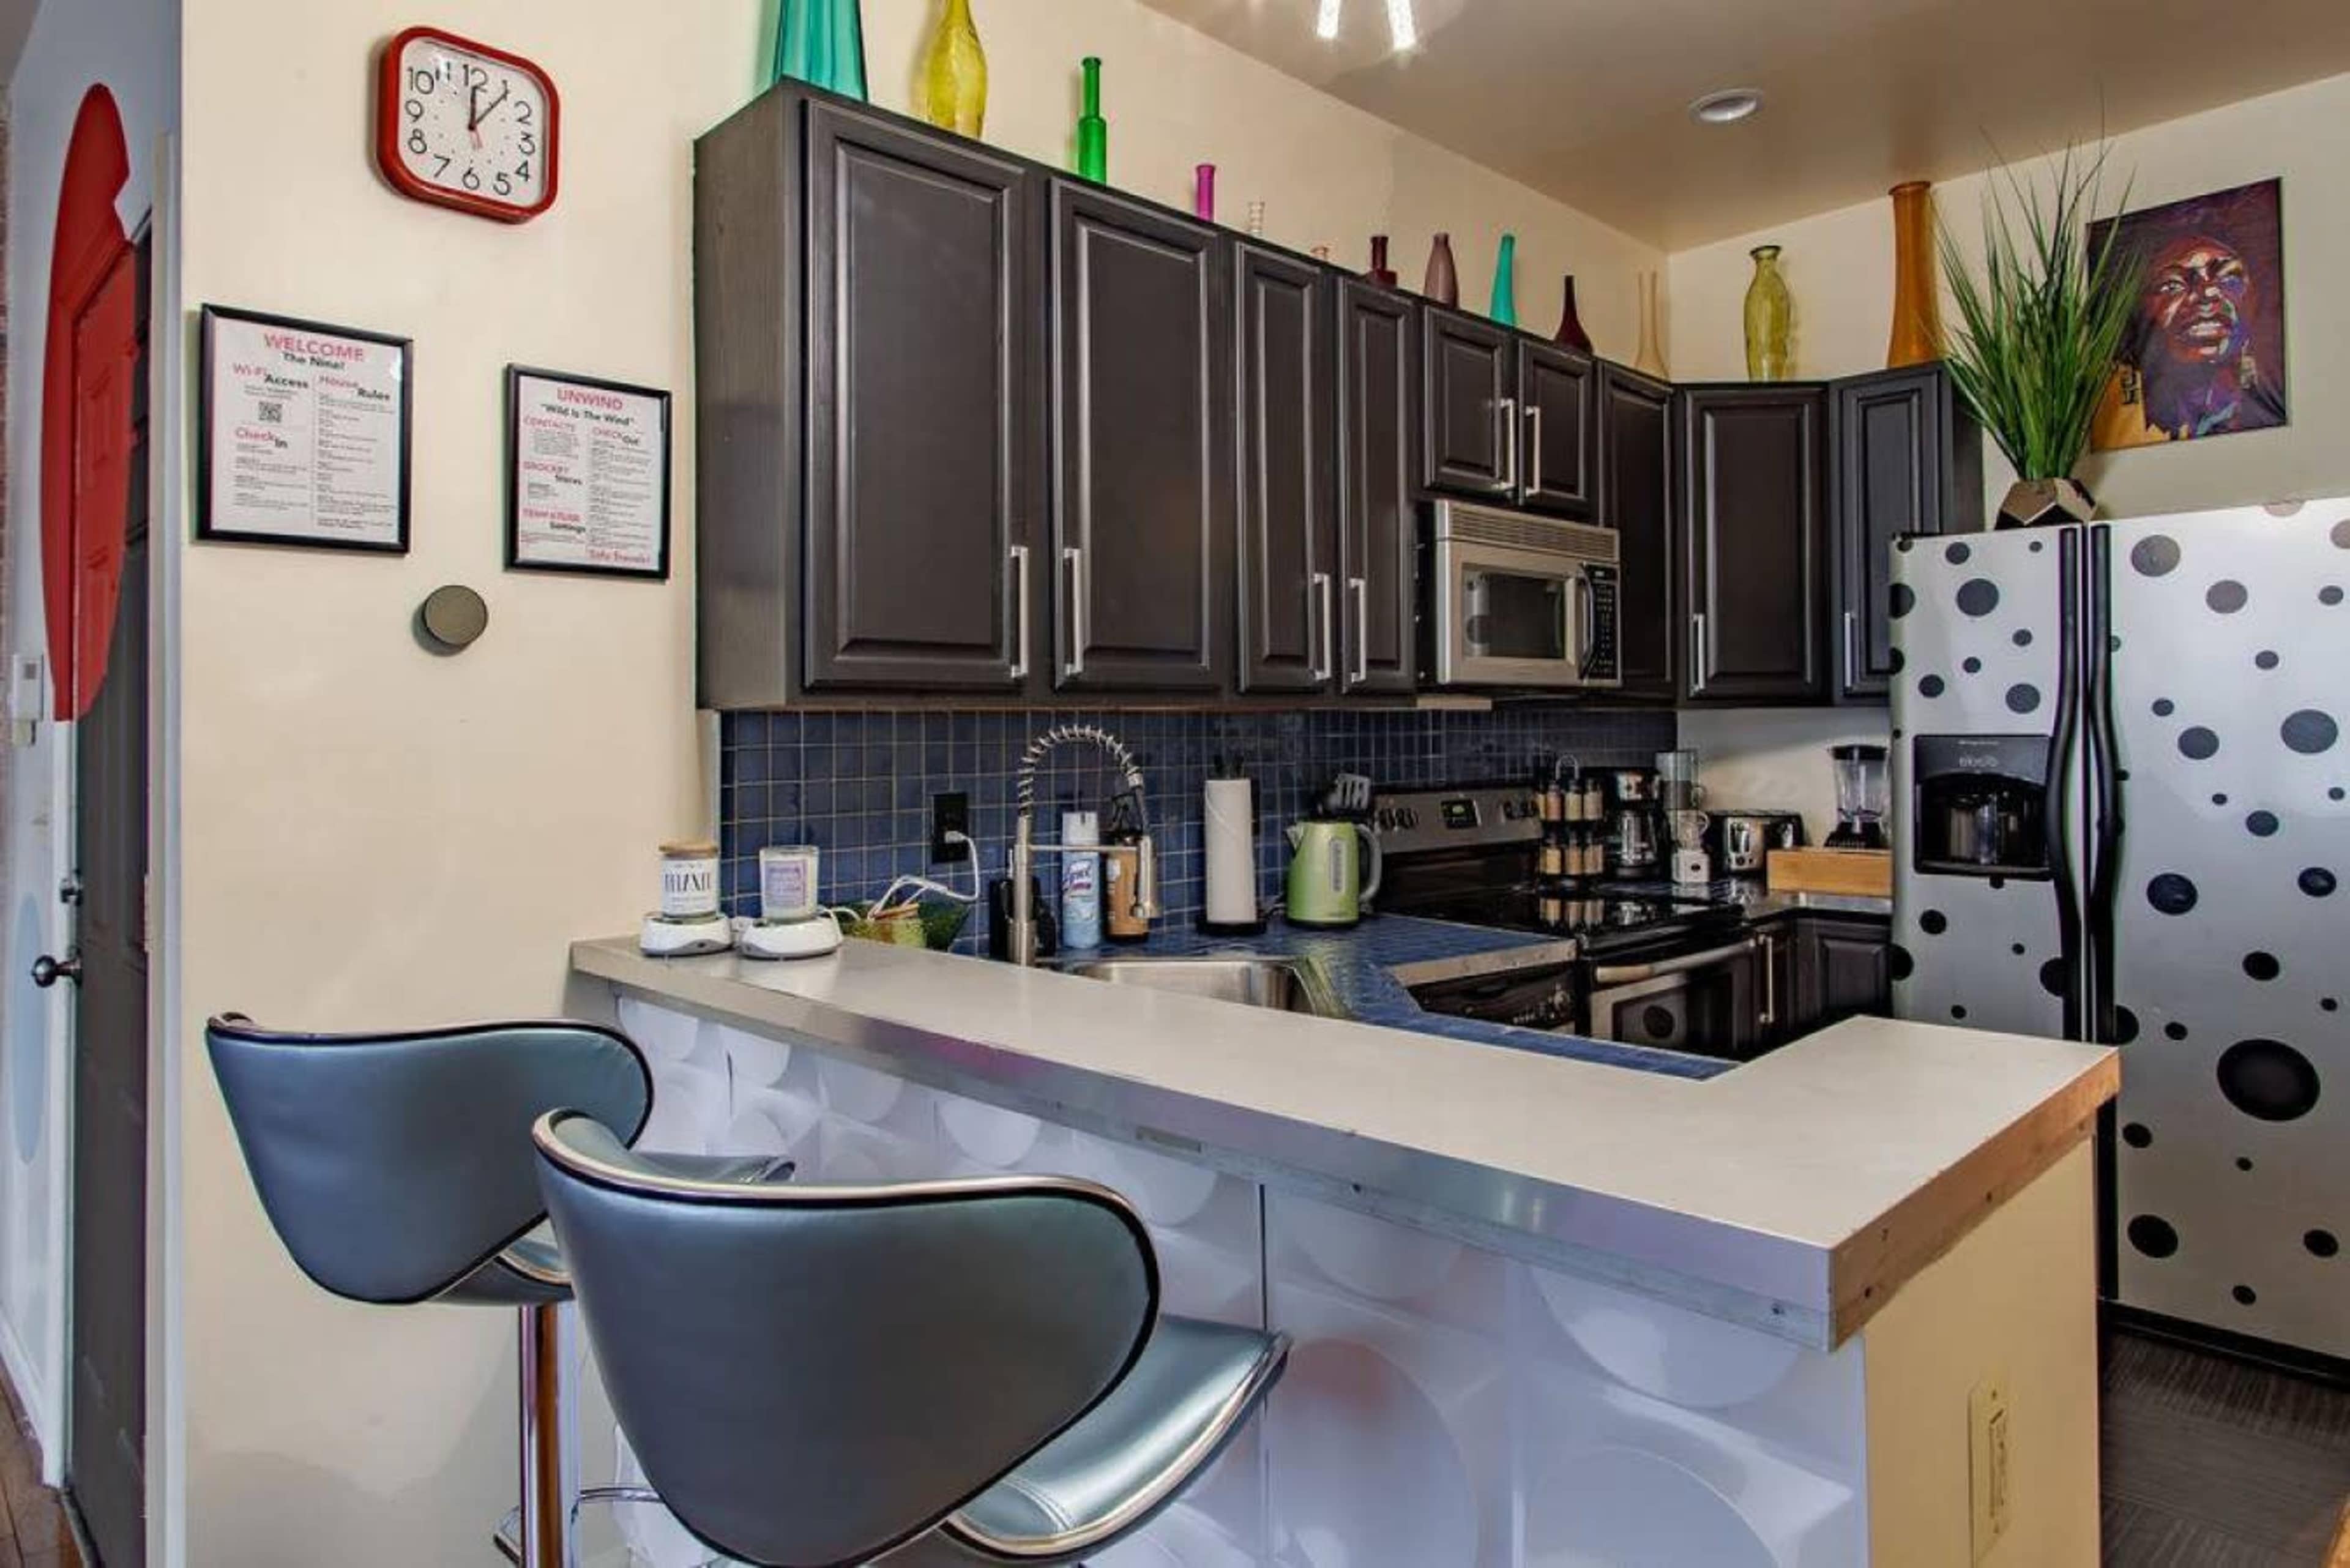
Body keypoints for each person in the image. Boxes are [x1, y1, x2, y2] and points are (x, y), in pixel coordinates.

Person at [2097, 229, 2286, 447]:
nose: (2206, 294)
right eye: (2172, 285)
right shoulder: (2128, 422)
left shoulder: (2262, 408)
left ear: (2255, 297)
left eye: (2228, 277)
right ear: (2138, 313)